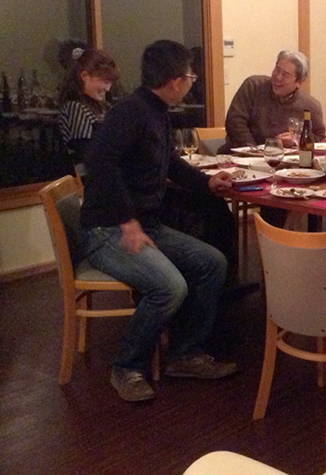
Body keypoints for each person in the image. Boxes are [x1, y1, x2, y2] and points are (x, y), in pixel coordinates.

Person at [81, 40, 237, 403]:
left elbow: (171, 164)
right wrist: (127, 220)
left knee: (213, 262)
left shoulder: (157, 112)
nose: (192, 82)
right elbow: (99, 162)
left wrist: (207, 183)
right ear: (174, 80)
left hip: (146, 225)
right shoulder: (131, 112)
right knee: (170, 287)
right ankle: (126, 367)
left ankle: (184, 353)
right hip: (107, 231)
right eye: (190, 76)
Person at [223, 50, 325, 150]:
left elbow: (318, 136)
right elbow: (235, 122)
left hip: (285, 158)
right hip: (242, 154)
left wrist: (297, 140)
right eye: (277, 70)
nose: (278, 77)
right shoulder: (253, 86)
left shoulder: (310, 105)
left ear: (298, 82)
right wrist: (254, 150)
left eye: (285, 75)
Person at [57, 49, 121, 172]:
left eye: (110, 83)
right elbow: (85, 152)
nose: (108, 88)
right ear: (85, 76)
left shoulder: (99, 105)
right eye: (105, 82)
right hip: (89, 177)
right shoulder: (76, 108)